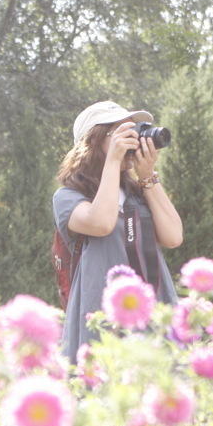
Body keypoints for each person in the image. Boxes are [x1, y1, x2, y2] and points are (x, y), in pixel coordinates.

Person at [53, 100, 183, 362]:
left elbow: (173, 237)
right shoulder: (68, 197)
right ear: (94, 141)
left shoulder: (139, 192)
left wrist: (148, 177)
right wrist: (112, 161)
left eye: (134, 131)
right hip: (101, 312)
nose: (133, 139)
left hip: (152, 305)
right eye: (122, 133)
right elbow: (101, 223)